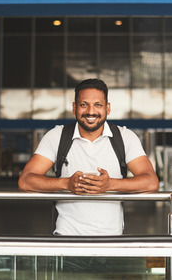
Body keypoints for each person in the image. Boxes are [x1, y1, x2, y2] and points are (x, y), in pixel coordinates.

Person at [18, 78, 159, 236]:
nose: (91, 112)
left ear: (108, 108)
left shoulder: (125, 137)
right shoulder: (56, 136)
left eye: (98, 105)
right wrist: (66, 183)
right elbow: (25, 181)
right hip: (65, 239)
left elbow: (151, 182)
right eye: (84, 105)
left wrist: (110, 185)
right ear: (74, 107)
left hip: (112, 242)